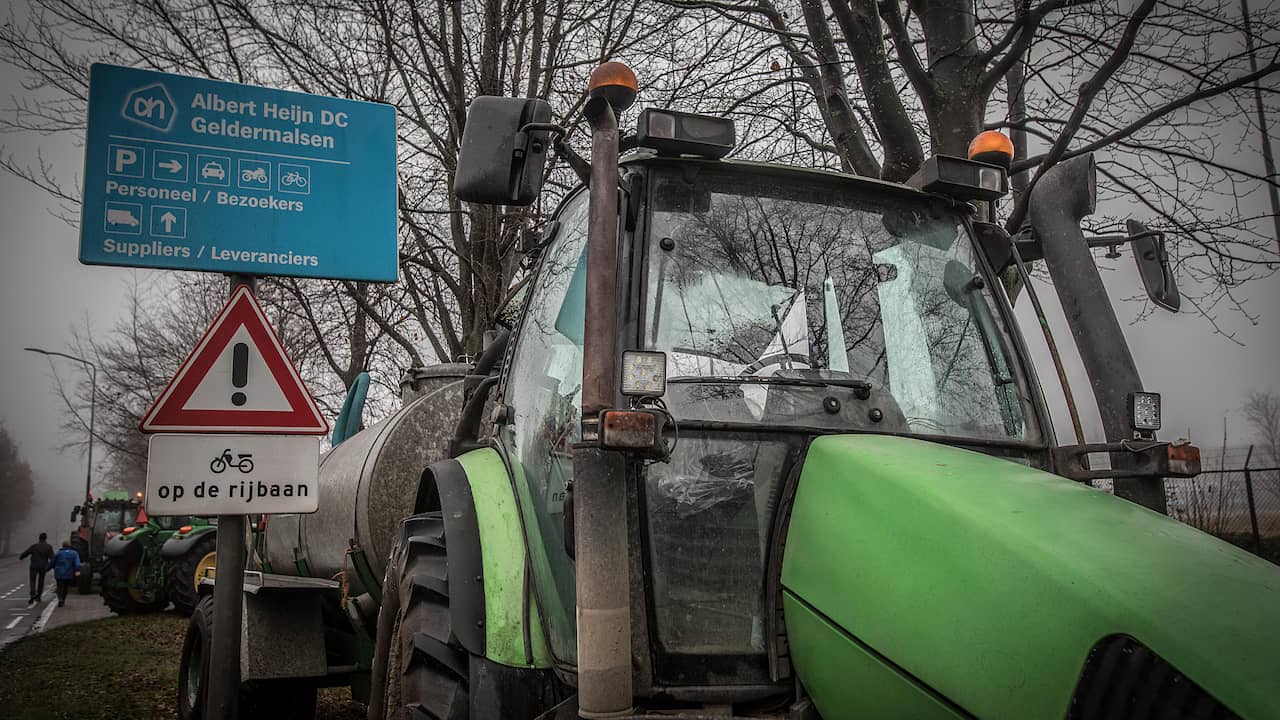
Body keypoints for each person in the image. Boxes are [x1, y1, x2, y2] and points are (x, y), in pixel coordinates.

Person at [19, 532, 55, 606]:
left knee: (32, 581)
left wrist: (21, 557)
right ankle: (38, 596)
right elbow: (52, 558)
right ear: (46, 538)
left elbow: (26, 553)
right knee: (41, 581)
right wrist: (51, 566)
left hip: (34, 566)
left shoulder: (34, 546)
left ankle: (32, 595)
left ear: (39, 538)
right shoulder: (48, 547)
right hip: (43, 567)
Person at [52, 541, 82, 607]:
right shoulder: (74, 553)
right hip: (68, 573)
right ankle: (63, 599)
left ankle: (60, 599)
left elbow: (52, 562)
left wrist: (46, 569)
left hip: (59, 573)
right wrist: (77, 570)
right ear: (69, 546)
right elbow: (77, 563)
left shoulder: (58, 553)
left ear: (63, 546)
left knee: (59, 587)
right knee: (65, 587)